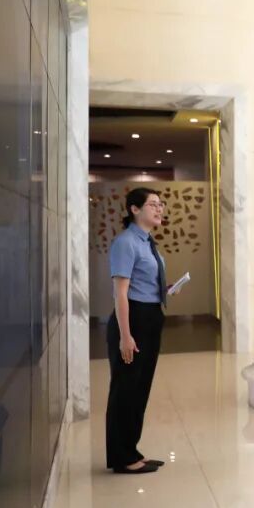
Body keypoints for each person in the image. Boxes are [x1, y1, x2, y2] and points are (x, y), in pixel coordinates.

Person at [106, 188, 168, 474]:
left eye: (161, 204)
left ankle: (132, 451)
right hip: (133, 320)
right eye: (153, 204)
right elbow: (120, 293)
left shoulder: (147, 242)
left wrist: (165, 290)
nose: (159, 209)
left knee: (139, 389)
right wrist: (125, 336)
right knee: (126, 390)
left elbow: (144, 283)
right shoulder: (126, 242)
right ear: (134, 209)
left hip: (150, 316)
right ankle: (122, 457)